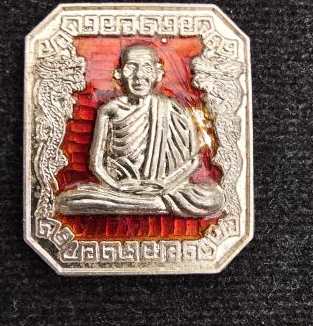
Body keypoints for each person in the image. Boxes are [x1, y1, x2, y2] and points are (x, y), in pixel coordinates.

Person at [55, 44, 224, 218]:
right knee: (66, 201)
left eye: (147, 68)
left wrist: (164, 185)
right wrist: (117, 186)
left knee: (213, 198)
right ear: (119, 74)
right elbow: (96, 164)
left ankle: (142, 204)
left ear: (158, 74)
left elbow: (193, 160)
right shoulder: (109, 110)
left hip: (165, 188)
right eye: (131, 68)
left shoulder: (175, 109)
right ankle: (153, 205)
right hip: (119, 189)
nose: (139, 76)